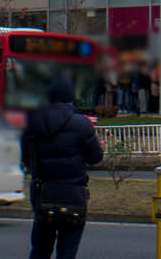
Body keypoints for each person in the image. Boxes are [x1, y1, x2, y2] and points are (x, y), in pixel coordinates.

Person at [21, 79, 103, 259]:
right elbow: (95, 157)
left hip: (43, 190)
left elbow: (27, 158)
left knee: (40, 249)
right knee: (67, 250)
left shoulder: (33, 123)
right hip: (73, 192)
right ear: (70, 98)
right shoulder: (81, 124)